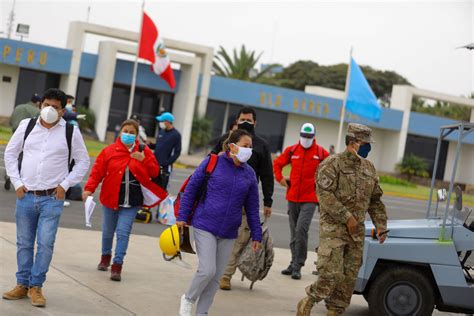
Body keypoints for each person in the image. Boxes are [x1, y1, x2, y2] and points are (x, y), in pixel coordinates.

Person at [3, 88, 90, 307]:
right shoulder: (27, 126)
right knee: (24, 243)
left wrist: (65, 185)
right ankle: (22, 284)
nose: (49, 109)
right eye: (46, 105)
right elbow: (11, 154)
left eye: (55, 106)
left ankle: (36, 286)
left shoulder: (70, 132)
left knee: (45, 243)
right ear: (40, 105)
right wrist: (17, 182)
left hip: (52, 198)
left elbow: (83, 161)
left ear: (62, 110)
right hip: (26, 195)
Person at [296, 123, 388, 316]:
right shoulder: (332, 164)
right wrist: (347, 217)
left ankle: (335, 310)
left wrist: (381, 225)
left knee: (348, 277)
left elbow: (375, 200)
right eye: (365, 144)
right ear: (353, 143)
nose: (368, 148)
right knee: (331, 272)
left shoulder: (369, 168)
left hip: (356, 233)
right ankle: (310, 299)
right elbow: (325, 195)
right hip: (333, 229)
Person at [177, 129, 262, 316]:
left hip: (229, 231)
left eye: (251, 147)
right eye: (245, 146)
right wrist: (182, 217)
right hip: (205, 224)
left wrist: (257, 233)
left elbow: (252, 208)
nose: (249, 150)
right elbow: (191, 190)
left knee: (216, 277)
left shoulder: (249, 174)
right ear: (232, 146)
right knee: (207, 270)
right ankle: (188, 299)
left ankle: (202, 312)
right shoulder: (212, 162)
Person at [82, 119, 167, 281]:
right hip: (110, 198)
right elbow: (97, 172)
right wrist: (88, 189)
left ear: (136, 135)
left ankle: (117, 266)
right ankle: (105, 257)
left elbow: (155, 172)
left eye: (131, 132)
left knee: (123, 233)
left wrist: (144, 159)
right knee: (108, 232)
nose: (128, 134)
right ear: (120, 132)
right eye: (125, 131)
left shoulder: (144, 151)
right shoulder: (109, 151)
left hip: (132, 201)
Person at [212, 107, 274, 290]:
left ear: (255, 122)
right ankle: (212, 269)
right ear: (237, 120)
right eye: (242, 119)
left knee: (240, 238)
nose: (245, 122)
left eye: (249, 120)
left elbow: (267, 174)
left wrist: (268, 201)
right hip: (223, 196)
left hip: (247, 199)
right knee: (219, 235)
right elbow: (211, 161)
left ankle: (226, 275)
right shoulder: (227, 140)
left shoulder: (261, 145)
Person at [273, 123, 329, 280]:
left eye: (309, 137)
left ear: (314, 137)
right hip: (292, 197)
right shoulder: (292, 150)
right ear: (300, 135)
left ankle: (298, 265)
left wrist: (323, 189)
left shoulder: (320, 153)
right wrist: (281, 179)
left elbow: (332, 170)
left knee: (301, 230)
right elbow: (277, 164)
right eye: (304, 136)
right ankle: (292, 263)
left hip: (310, 199)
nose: (306, 139)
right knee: (293, 233)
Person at [4, 93, 42, 191]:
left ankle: (8, 175)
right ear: (38, 102)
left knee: (12, 155)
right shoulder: (36, 111)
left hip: (15, 133)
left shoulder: (18, 107)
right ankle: (20, 180)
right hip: (28, 135)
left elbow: (11, 120)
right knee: (23, 158)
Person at [153, 112, 181, 191]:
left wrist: (166, 162)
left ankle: (162, 203)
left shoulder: (176, 135)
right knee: (153, 189)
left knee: (162, 189)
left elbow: (177, 152)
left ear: (168, 122)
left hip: (165, 168)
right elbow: (158, 146)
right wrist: (150, 144)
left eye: (162, 121)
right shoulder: (161, 131)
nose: (160, 123)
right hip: (155, 164)